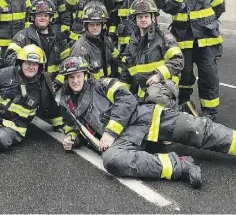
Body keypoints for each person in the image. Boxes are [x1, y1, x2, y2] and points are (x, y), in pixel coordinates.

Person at [57, 56, 236, 188]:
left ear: (85, 75)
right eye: (71, 77)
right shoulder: (69, 104)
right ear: (66, 79)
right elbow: (80, 130)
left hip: (142, 118)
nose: (75, 80)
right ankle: (181, 166)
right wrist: (72, 138)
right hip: (123, 140)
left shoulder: (102, 84)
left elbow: (127, 100)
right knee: (112, 160)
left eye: (78, 75)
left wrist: (110, 132)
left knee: (192, 128)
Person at [154, 0, 226, 120]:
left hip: (207, 40)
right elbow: (168, 8)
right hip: (183, 41)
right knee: (184, 77)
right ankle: (184, 105)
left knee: (208, 76)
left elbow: (220, 6)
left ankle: (210, 113)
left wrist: (207, 23)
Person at [120, 0, 184, 110]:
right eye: (140, 17)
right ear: (135, 19)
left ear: (152, 17)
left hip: (164, 83)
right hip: (143, 88)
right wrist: (123, 92)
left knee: (154, 95)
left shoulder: (164, 36)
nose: (143, 19)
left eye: (146, 16)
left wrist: (159, 75)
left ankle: (177, 111)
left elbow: (178, 60)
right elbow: (127, 69)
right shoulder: (132, 41)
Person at [70, 1, 120, 79]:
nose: (95, 27)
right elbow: (80, 79)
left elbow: (117, 59)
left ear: (103, 25)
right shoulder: (80, 48)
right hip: (92, 89)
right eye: (91, 24)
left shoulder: (105, 40)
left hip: (107, 84)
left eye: (98, 24)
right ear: (86, 26)